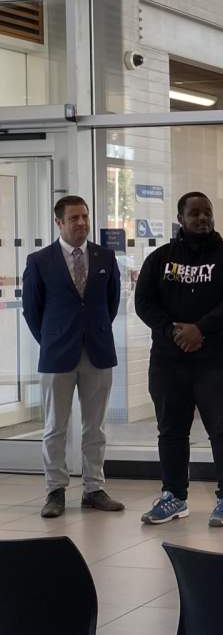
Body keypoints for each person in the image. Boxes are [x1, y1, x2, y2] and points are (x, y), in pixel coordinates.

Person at [135, 191, 223, 527]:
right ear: (181, 218)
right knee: (171, 431)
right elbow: (143, 302)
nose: (202, 218)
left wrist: (201, 329)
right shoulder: (160, 259)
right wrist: (174, 331)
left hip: (218, 362)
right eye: (194, 213)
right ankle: (174, 497)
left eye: (207, 212)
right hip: (169, 362)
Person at [21, 195, 124, 518]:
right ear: (59, 223)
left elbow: (111, 303)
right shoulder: (40, 261)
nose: (81, 223)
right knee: (55, 427)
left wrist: (92, 333)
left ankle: (94, 488)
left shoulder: (105, 257)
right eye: (74, 218)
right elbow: (32, 310)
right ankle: (55, 490)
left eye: (84, 217)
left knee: (96, 427)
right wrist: (51, 340)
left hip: (97, 352)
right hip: (57, 355)